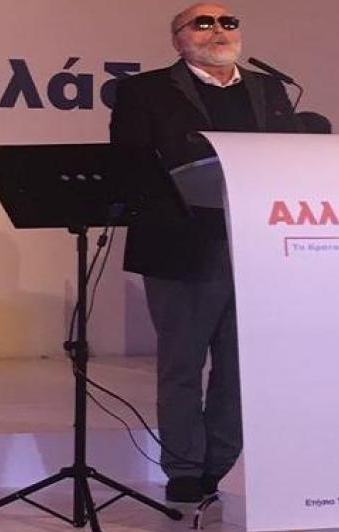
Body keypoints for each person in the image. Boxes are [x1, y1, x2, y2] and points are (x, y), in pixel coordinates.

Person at [109, 2, 299, 503]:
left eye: (228, 22)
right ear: (178, 40)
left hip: (255, 246)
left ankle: (223, 466)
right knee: (183, 365)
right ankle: (185, 468)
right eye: (204, 23)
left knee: (239, 367)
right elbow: (132, 162)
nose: (219, 30)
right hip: (181, 245)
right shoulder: (144, 91)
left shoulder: (270, 90)